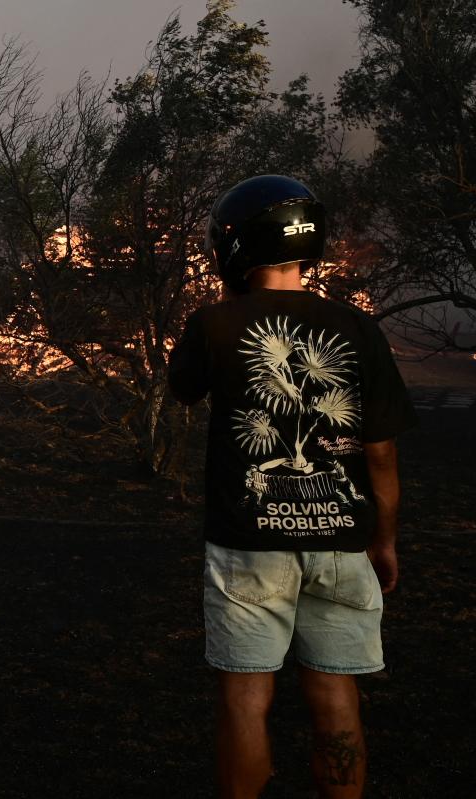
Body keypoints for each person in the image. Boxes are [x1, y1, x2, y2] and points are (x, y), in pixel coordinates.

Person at [169, 175, 417, 799]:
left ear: (236, 244)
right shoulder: (357, 329)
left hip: (248, 546)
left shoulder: (214, 324)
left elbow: (184, 390)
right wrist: (382, 540)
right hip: (343, 543)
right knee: (335, 694)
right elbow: (380, 454)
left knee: (245, 699)